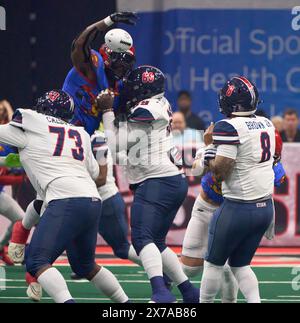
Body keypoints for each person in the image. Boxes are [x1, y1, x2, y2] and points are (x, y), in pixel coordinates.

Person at [2, 90, 129, 303]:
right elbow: (95, 173)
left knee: (37, 261)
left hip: (64, 200)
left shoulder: (30, 122)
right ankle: (126, 304)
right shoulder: (80, 133)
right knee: (86, 266)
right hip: (92, 200)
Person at [96, 65, 199, 303]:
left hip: (157, 180)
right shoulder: (158, 104)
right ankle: (188, 291)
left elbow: (116, 146)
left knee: (143, 240)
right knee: (158, 243)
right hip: (169, 179)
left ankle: (161, 292)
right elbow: (128, 150)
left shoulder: (148, 108)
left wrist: (108, 112)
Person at [181, 127, 286, 303]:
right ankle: (169, 277)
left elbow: (275, 180)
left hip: (232, 212)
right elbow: (197, 170)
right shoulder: (224, 146)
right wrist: (208, 154)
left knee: (229, 267)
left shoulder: (262, 163)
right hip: (206, 207)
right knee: (189, 268)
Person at [199, 76, 275, 303]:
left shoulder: (228, 127)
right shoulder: (267, 123)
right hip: (265, 207)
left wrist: (209, 148)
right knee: (240, 265)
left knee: (213, 263)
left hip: (239, 208)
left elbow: (221, 171)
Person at [63, 12, 137, 136]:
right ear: (107, 57)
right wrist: (108, 21)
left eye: (126, 64)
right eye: (119, 64)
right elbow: (79, 44)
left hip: (87, 144)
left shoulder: (119, 87)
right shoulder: (92, 67)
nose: (122, 69)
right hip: (65, 133)